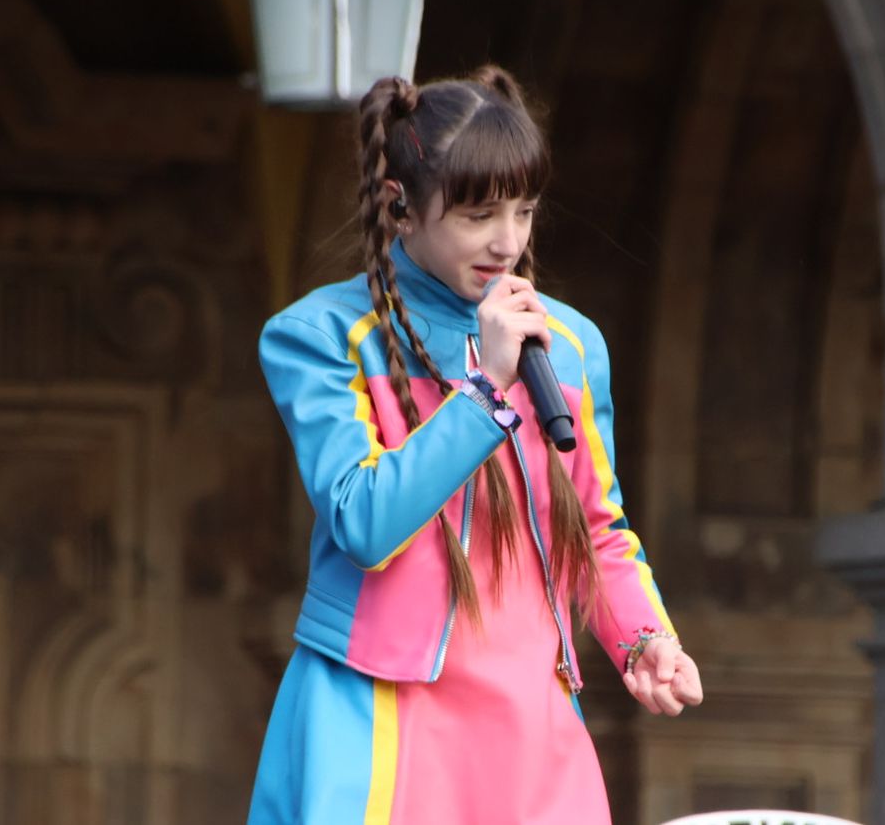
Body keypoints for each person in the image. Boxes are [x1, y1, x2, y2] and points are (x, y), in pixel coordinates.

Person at [248, 64, 702, 825]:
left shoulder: (569, 344)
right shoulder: (321, 336)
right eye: (478, 214)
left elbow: (595, 526)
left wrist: (644, 640)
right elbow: (362, 522)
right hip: (383, 708)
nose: (507, 241)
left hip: (531, 717)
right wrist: (486, 395)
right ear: (400, 206)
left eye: (524, 211)